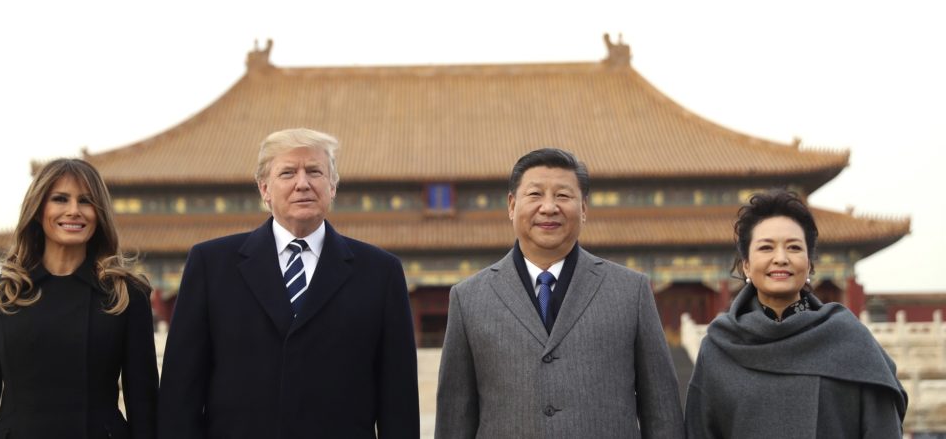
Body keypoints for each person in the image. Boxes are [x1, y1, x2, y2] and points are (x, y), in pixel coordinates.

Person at [157, 128, 419, 438]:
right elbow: (180, 393)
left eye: (314, 171)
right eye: (287, 173)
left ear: (333, 186)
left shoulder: (380, 273)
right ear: (264, 189)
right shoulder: (211, 265)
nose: (303, 183)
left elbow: (398, 401)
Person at [435, 148, 684, 438]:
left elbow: (662, 413)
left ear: (584, 208)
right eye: (535, 195)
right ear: (512, 206)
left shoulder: (630, 291)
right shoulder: (469, 299)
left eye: (563, 196)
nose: (549, 207)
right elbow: (455, 418)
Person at [0, 158, 158, 439]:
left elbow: (144, 405)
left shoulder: (126, 295)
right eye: (60, 199)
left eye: (86, 201)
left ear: (99, 214)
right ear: (39, 211)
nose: (74, 211)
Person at [684, 189, 908, 438]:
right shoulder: (719, 347)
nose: (780, 258)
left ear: (810, 263)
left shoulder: (850, 340)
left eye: (793, 247)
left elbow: (883, 429)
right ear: (746, 264)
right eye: (766, 248)